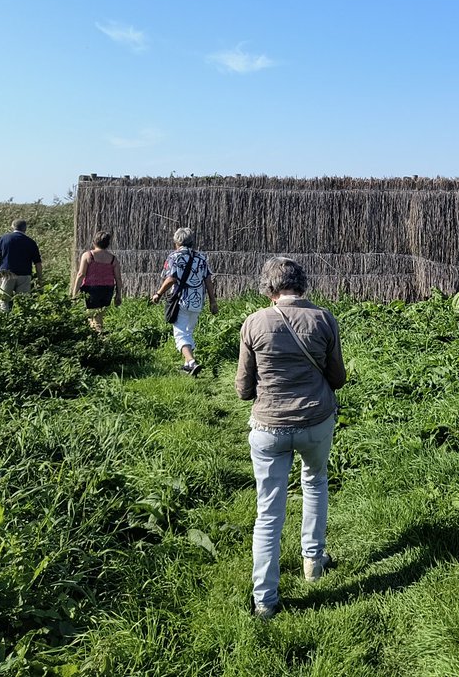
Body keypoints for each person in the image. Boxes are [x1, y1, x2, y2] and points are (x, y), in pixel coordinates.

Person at [236, 256, 348, 621]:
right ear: (303, 284)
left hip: (269, 428)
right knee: (315, 482)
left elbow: (242, 389)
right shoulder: (323, 318)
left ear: (269, 288)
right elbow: (338, 376)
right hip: (316, 421)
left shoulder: (254, 323)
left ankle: (265, 600)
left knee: (268, 512)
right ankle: (313, 561)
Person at [151, 227, 217, 376]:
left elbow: (171, 278)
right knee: (188, 331)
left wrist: (158, 293)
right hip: (197, 300)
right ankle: (187, 364)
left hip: (181, 299)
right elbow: (208, 279)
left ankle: (192, 361)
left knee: (180, 333)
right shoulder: (201, 257)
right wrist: (213, 301)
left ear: (176, 242)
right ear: (192, 241)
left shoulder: (174, 257)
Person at [72, 231, 123, 331]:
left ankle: (99, 338)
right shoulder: (113, 259)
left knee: (93, 316)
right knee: (99, 316)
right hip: (108, 290)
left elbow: (81, 274)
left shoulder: (88, 255)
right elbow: (118, 278)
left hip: (92, 289)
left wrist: (75, 293)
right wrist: (118, 294)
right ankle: (98, 335)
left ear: (94, 242)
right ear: (108, 244)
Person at [0, 219, 43, 311]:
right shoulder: (31, 242)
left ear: (12, 227)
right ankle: (21, 322)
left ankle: (3, 321)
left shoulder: (3, 238)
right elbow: (38, 263)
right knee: (23, 303)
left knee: (2, 301)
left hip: (6, 274)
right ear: (25, 229)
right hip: (25, 275)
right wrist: (40, 279)